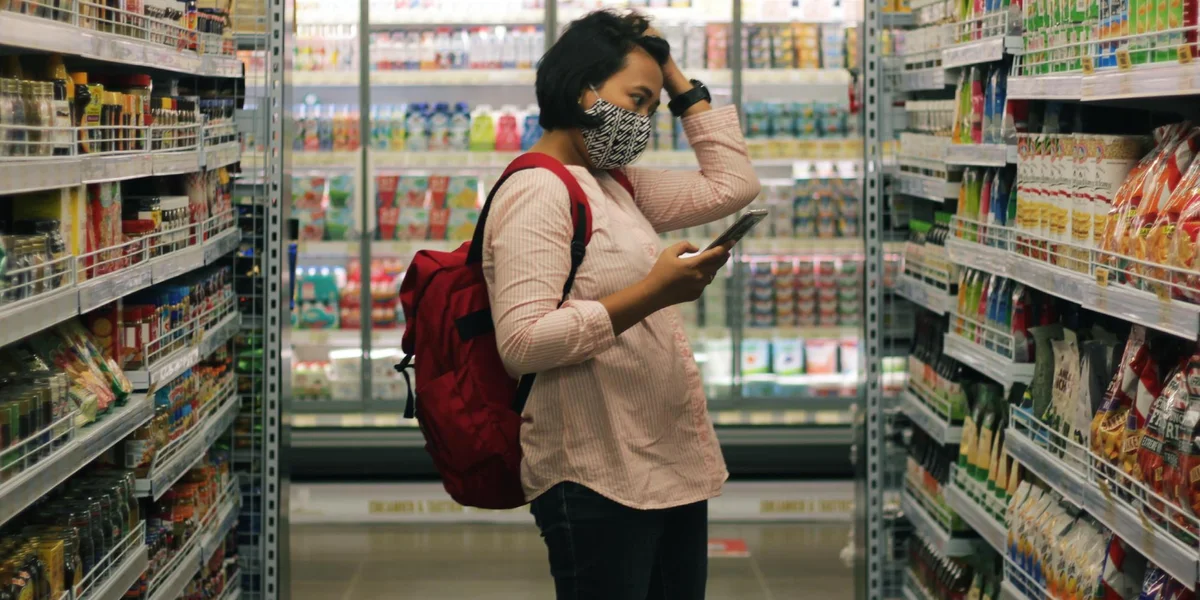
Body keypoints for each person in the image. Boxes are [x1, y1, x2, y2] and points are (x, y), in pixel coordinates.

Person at [480, 9, 761, 600]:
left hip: (661, 462)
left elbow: (733, 184)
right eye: (636, 99)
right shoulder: (539, 188)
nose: (642, 121)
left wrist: (673, 75)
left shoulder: (614, 183)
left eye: (652, 108)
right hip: (595, 473)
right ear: (584, 88)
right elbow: (523, 343)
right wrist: (654, 293)